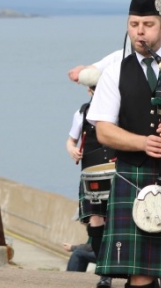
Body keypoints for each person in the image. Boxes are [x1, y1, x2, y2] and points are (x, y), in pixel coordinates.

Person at [87, 0, 161, 288]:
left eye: (148, 24)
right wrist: (142, 143)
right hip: (135, 177)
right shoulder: (114, 72)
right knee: (140, 272)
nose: (139, 31)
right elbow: (104, 130)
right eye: (134, 23)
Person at [66, 67, 113, 288]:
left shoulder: (118, 110)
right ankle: (104, 271)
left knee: (116, 222)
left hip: (116, 171)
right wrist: (72, 150)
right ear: (89, 91)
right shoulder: (82, 113)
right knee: (95, 221)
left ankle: (112, 269)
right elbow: (70, 141)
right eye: (93, 89)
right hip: (91, 172)